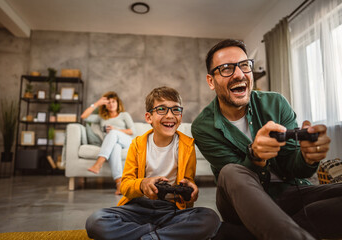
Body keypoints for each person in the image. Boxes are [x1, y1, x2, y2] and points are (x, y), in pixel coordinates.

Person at [192, 39, 342, 240]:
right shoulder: (203, 126)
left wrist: (308, 157)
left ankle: (261, 233)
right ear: (211, 81)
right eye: (227, 68)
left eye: (244, 65)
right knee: (230, 171)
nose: (239, 74)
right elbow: (236, 181)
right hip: (240, 205)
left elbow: (294, 168)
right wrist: (255, 156)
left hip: (289, 194)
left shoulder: (276, 103)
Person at [85, 86, 220, 240]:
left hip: (171, 210)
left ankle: (147, 236)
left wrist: (190, 188)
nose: (170, 115)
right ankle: (158, 234)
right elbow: (125, 185)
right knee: (96, 221)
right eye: (162, 109)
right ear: (149, 117)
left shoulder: (187, 145)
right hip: (137, 207)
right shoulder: (137, 144)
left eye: (176, 109)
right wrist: (142, 184)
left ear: (181, 116)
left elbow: (187, 182)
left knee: (210, 219)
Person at [81, 91, 135, 195]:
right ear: (105, 105)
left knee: (113, 133)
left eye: (113, 101)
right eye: (108, 102)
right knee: (115, 147)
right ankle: (119, 184)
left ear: (118, 103)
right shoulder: (102, 117)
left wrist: (116, 130)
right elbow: (84, 117)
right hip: (113, 143)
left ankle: (99, 163)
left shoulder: (124, 115)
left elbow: (132, 131)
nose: (111, 104)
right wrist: (97, 103)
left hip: (127, 141)